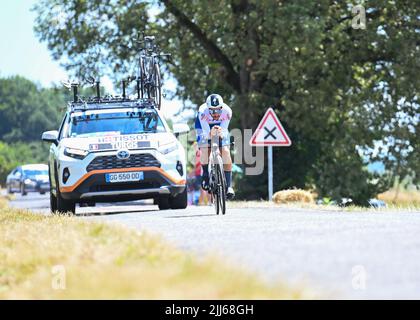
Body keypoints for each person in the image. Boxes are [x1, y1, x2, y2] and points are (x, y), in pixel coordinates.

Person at [194, 94, 234, 199]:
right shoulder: (202, 112)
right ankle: (206, 176)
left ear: (222, 108)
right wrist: (210, 136)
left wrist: (220, 136)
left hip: (221, 126)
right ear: (208, 109)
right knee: (204, 148)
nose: (215, 114)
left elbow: (223, 130)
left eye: (217, 111)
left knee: (225, 150)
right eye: (212, 111)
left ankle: (229, 186)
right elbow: (207, 133)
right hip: (204, 126)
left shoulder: (227, 111)